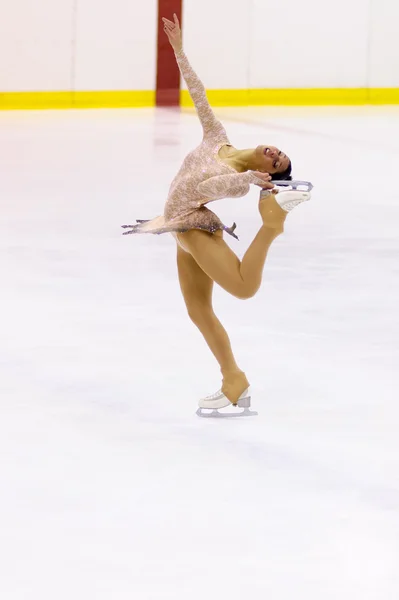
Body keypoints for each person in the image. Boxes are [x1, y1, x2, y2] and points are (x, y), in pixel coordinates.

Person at [123, 15, 311, 414]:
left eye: (279, 164)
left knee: (243, 288)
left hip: (193, 227)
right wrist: (178, 51)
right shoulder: (217, 136)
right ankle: (233, 379)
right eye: (279, 152)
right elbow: (199, 94)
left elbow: (207, 190)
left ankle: (272, 224)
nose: (275, 155)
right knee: (198, 310)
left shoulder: (238, 179)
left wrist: (250, 183)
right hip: (177, 227)